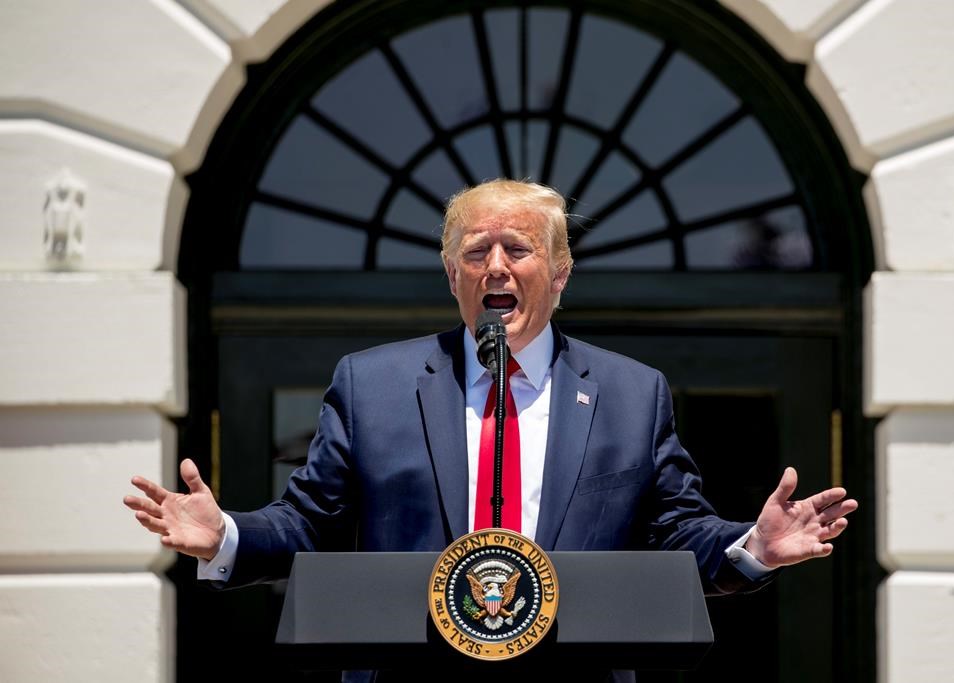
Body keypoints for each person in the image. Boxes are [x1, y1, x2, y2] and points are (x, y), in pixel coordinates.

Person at [124, 179, 857, 668]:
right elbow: (308, 520)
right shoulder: (372, 385)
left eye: (519, 248)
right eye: (476, 251)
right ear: (452, 275)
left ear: (560, 272)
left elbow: (678, 532)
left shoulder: (632, 394)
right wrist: (229, 537)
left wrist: (749, 546)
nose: (496, 266)